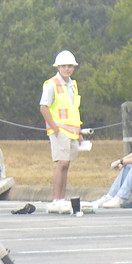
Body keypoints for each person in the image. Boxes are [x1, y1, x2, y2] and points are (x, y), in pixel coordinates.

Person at [39, 51, 86, 214]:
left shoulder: (73, 84)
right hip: (59, 130)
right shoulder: (51, 84)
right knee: (62, 162)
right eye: (64, 66)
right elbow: (43, 107)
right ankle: (56, 199)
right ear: (58, 67)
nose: (67, 69)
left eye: (70, 66)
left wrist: (79, 130)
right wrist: (55, 127)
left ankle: (61, 198)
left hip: (72, 130)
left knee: (67, 164)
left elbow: (74, 109)